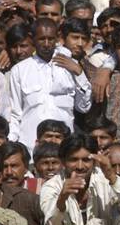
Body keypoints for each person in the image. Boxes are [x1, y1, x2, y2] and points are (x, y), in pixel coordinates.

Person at [6, 18, 92, 149]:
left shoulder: (70, 66)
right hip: (30, 145)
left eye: (51, 39)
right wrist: (12, 142)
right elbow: (15, 113)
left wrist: (79, 73)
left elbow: (83, 107)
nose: (46, 44)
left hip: (64, 145)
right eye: (41, 39)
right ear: (32, 38)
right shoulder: (20, 70)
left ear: (57, 38)